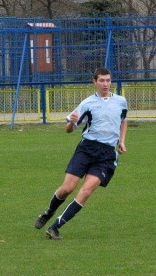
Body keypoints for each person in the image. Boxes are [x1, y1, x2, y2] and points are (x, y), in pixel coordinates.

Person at [34, 67, 128, 240]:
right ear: (95, 82)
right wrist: (72, 123)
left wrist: (121, 141)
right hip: (86, 149)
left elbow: (123, 120)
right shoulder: (87, 103)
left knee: (85, 192)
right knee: (67, 189)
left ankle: (55, 227)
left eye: (108, 80)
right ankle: (49, 211)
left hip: (106, 154)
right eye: (102, 80)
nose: (105, 84)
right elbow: (69, 129)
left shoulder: (121, 101)